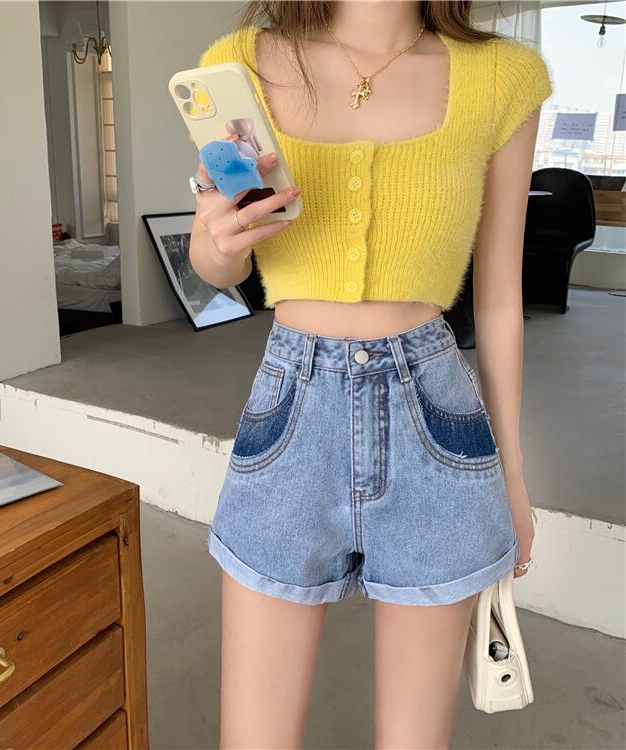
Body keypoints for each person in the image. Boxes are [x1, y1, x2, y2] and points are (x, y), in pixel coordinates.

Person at [187, 1, 551, 747]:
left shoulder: (503, 78)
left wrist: (512, 478)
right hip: (290, 417)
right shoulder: (240, 63)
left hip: (437, 423)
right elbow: (217, 267)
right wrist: (217, 239)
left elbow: (500, 299)